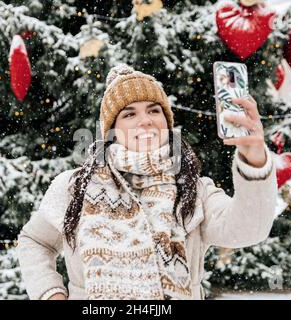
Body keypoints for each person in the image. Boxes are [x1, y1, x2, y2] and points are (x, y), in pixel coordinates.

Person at [17, 64, 277, 300]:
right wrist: (50, 295)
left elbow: (249, 228)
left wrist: (253, 157)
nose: (145, 120)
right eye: (129, 114)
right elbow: (34, 241)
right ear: (111, 130)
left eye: (154, 110)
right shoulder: (76, 187)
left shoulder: (192, 189)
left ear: (166, 121)